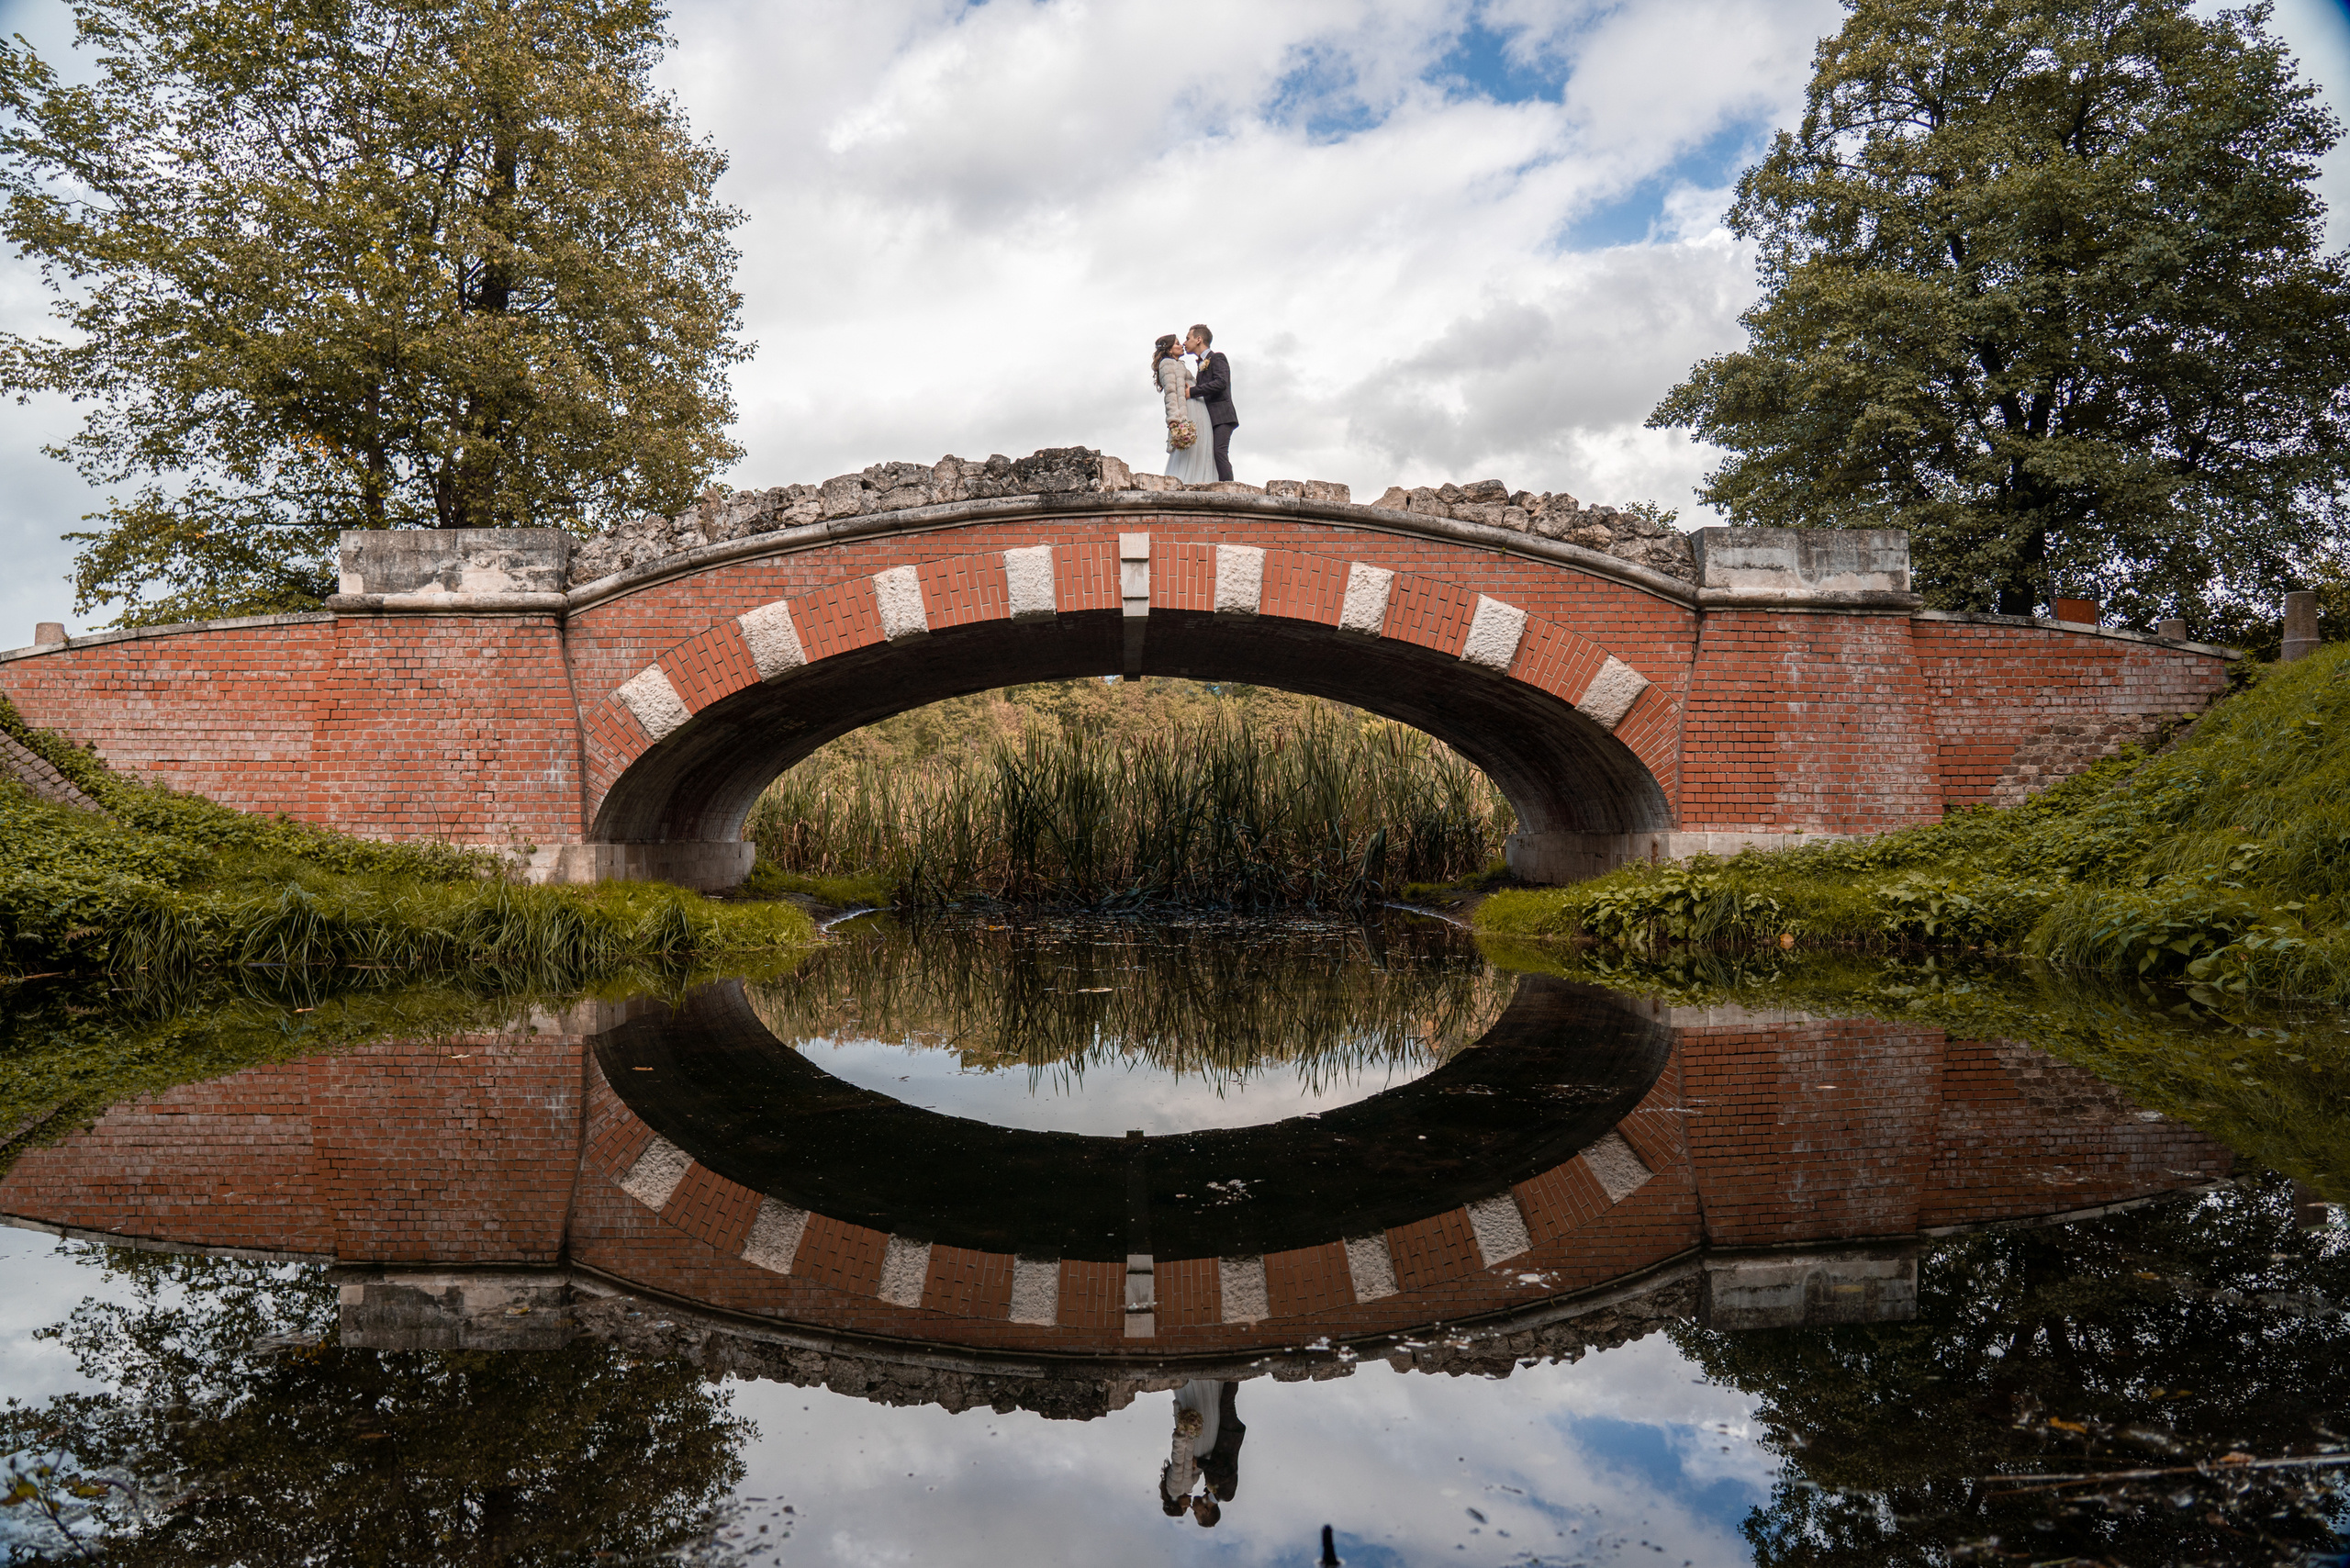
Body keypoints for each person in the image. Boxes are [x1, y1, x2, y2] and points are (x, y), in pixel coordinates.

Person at [1156, 333, 1217, 484]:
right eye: (1177, 343)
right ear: (1169, 349)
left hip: (1197, 408)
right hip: (1188, 410)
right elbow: (1171, 394)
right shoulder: (1167, 364)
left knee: (1201, 448)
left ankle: (1202, 479)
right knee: (1191, 450)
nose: (1182, 345)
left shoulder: (1179, 364)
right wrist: (1173, 420)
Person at [1185, 323, 1237, 482]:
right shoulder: (1200, 365)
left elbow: (1221, 383)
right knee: (1209, 454)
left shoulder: (1217, 358)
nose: (1184, 343)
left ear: (1198, 339)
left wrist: (1192, 391)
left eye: (1188, 338)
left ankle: (1228, 488)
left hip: (1222, 416)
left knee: (1219, 452)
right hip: (1209, 418)